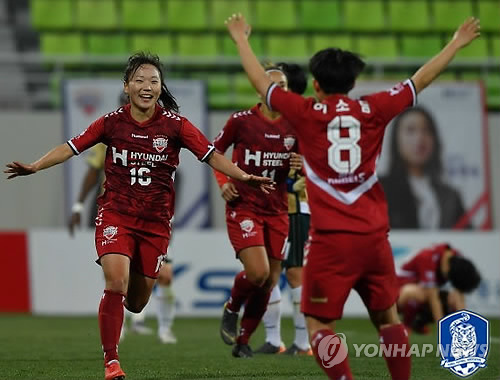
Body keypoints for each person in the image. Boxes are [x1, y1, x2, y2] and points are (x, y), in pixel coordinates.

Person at [225, 13, 480, 380]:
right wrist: (456, 42)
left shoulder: (306, 111)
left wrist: (241, 40)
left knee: (318, 325)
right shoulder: (374, 107)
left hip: (332, 241)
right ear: (353, 82)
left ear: (315, 84)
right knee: (387, 319)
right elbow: (420, 79)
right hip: (375, 238)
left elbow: (261, 83)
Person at [5, 52, 272, 380]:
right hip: (115, 214)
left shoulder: (176, 126)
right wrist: (35, 165)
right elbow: (70, 146)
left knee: (137, 302)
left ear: (161, 87)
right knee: (115, 281)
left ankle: (126, 312)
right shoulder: (111, 122)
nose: (147, 86)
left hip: (155, 224)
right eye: (140, 80)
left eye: (154, 81)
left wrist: (242, 176)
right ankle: (112, 362)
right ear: (127, 86)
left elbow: (211, 155)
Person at [68, 92, 177, 344]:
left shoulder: (162, 133)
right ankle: (123, 326)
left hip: (153, 217)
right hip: (118, 214)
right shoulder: (108, 133)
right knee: (118, 276)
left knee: (164, 275)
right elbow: (92, 173)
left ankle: (161, 326)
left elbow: (169, 176)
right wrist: (77, 207)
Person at [214, 65, 299, 358]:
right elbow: (214, 151)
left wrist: (300, 169)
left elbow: (306, 170)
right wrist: (224, 182)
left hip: (277, 210)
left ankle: (243, 340)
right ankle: (231, 307)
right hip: (244, 205)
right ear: (259, 88)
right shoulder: (241, 121)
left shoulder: (295, 125)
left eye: (283, 84)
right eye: (270, 83)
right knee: (258, 272)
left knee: (270, 280)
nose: (278, 89)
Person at [258, 62, 312, 356]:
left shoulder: (300, 121)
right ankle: (273, 339)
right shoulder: (260, 120)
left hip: (293, 206)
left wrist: (304, 167)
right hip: (267, 207)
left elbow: (321, 159)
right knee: (268, 274)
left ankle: (303, 343)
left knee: (294, 274)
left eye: (282, 85)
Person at [380, 106, 466, 229]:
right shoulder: (380, 189)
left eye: (426, 130)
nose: (420, 138)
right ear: (396, 139)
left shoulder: (450, 196)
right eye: (411, 130)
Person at [397, 243, 480, 334]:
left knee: (452, 299)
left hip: (421, 287)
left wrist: (465, 324)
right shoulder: (427, 258)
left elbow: (459, 294)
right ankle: (407, 324)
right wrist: (442, 329)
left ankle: (418, 323)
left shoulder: (455, 257)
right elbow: (433, 298)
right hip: (399, 289)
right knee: (419, 294)